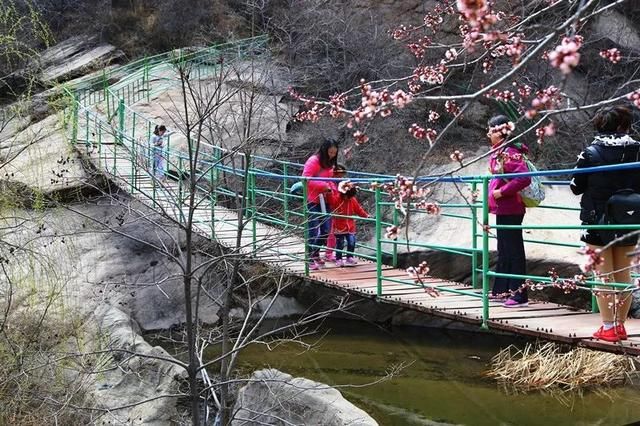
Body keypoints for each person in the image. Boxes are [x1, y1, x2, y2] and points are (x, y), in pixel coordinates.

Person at [570, 105, 640, 342]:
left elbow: (575, 186)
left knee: (603, 275)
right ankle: (620, 326)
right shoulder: (638, 150)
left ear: (600, 125)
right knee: (624, 274)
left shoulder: (590, 153)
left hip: (596, 220)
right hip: (629, 218)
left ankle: (608, 327)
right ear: (624, 126)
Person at [487, 115, 532, 308]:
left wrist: (501, 192)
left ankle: (519, 295)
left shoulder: (510, 152)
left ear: (499, 131)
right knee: (504, 248)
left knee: (513, 249)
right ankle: (502, 290)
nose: (487, 133)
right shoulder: (500, 151)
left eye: (490, 129)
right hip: (503, 207)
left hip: (511, 206)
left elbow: (524, 178)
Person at [302, 138, 339, 270]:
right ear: (324, 150)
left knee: (326, 229)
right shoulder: (314, 161)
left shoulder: (329, 163)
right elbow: (306, 179)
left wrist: (332, 188)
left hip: (326, 198)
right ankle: (309, 257)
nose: (332, 155)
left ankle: (315, 253)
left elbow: (329, 179)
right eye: (330, 152)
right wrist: (322, 185)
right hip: (313, 199)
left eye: (334, 153)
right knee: (313, 229)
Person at [327, 181, 369, 266]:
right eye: (346, 196)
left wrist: (365, 215)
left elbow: (358, 209)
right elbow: (330, 201)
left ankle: (349, 257)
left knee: (351, 242)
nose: (347, 198)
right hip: (339, 226)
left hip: (350, 225)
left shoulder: (352, 200)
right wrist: (329, 193)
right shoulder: (337, 199)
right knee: (340, 243)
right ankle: (339, 258)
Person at [324, 164, 348, 262]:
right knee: (330, 233)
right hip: (330, 208)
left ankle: (329, 253)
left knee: (333, 233)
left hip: (337, 209)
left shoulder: (338, 182)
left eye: (342, 174)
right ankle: (327, 253)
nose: (341, 176)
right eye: (339, 174)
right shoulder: (330, 182)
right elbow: (331, 197)